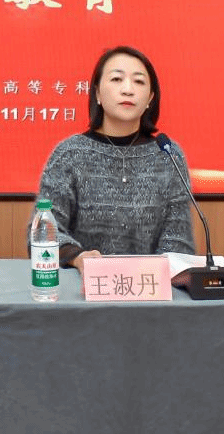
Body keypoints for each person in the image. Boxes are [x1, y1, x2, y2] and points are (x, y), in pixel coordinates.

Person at [36, 46, 195, 272]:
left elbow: (179, 242)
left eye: (139, 81)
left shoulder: (168, 154)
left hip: (150, 286)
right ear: (98, 94)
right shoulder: (69, 154)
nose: (128, 90)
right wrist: (78, 258)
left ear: (150, 98)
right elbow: (45, 230)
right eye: (117, 79)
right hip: (83, 287)